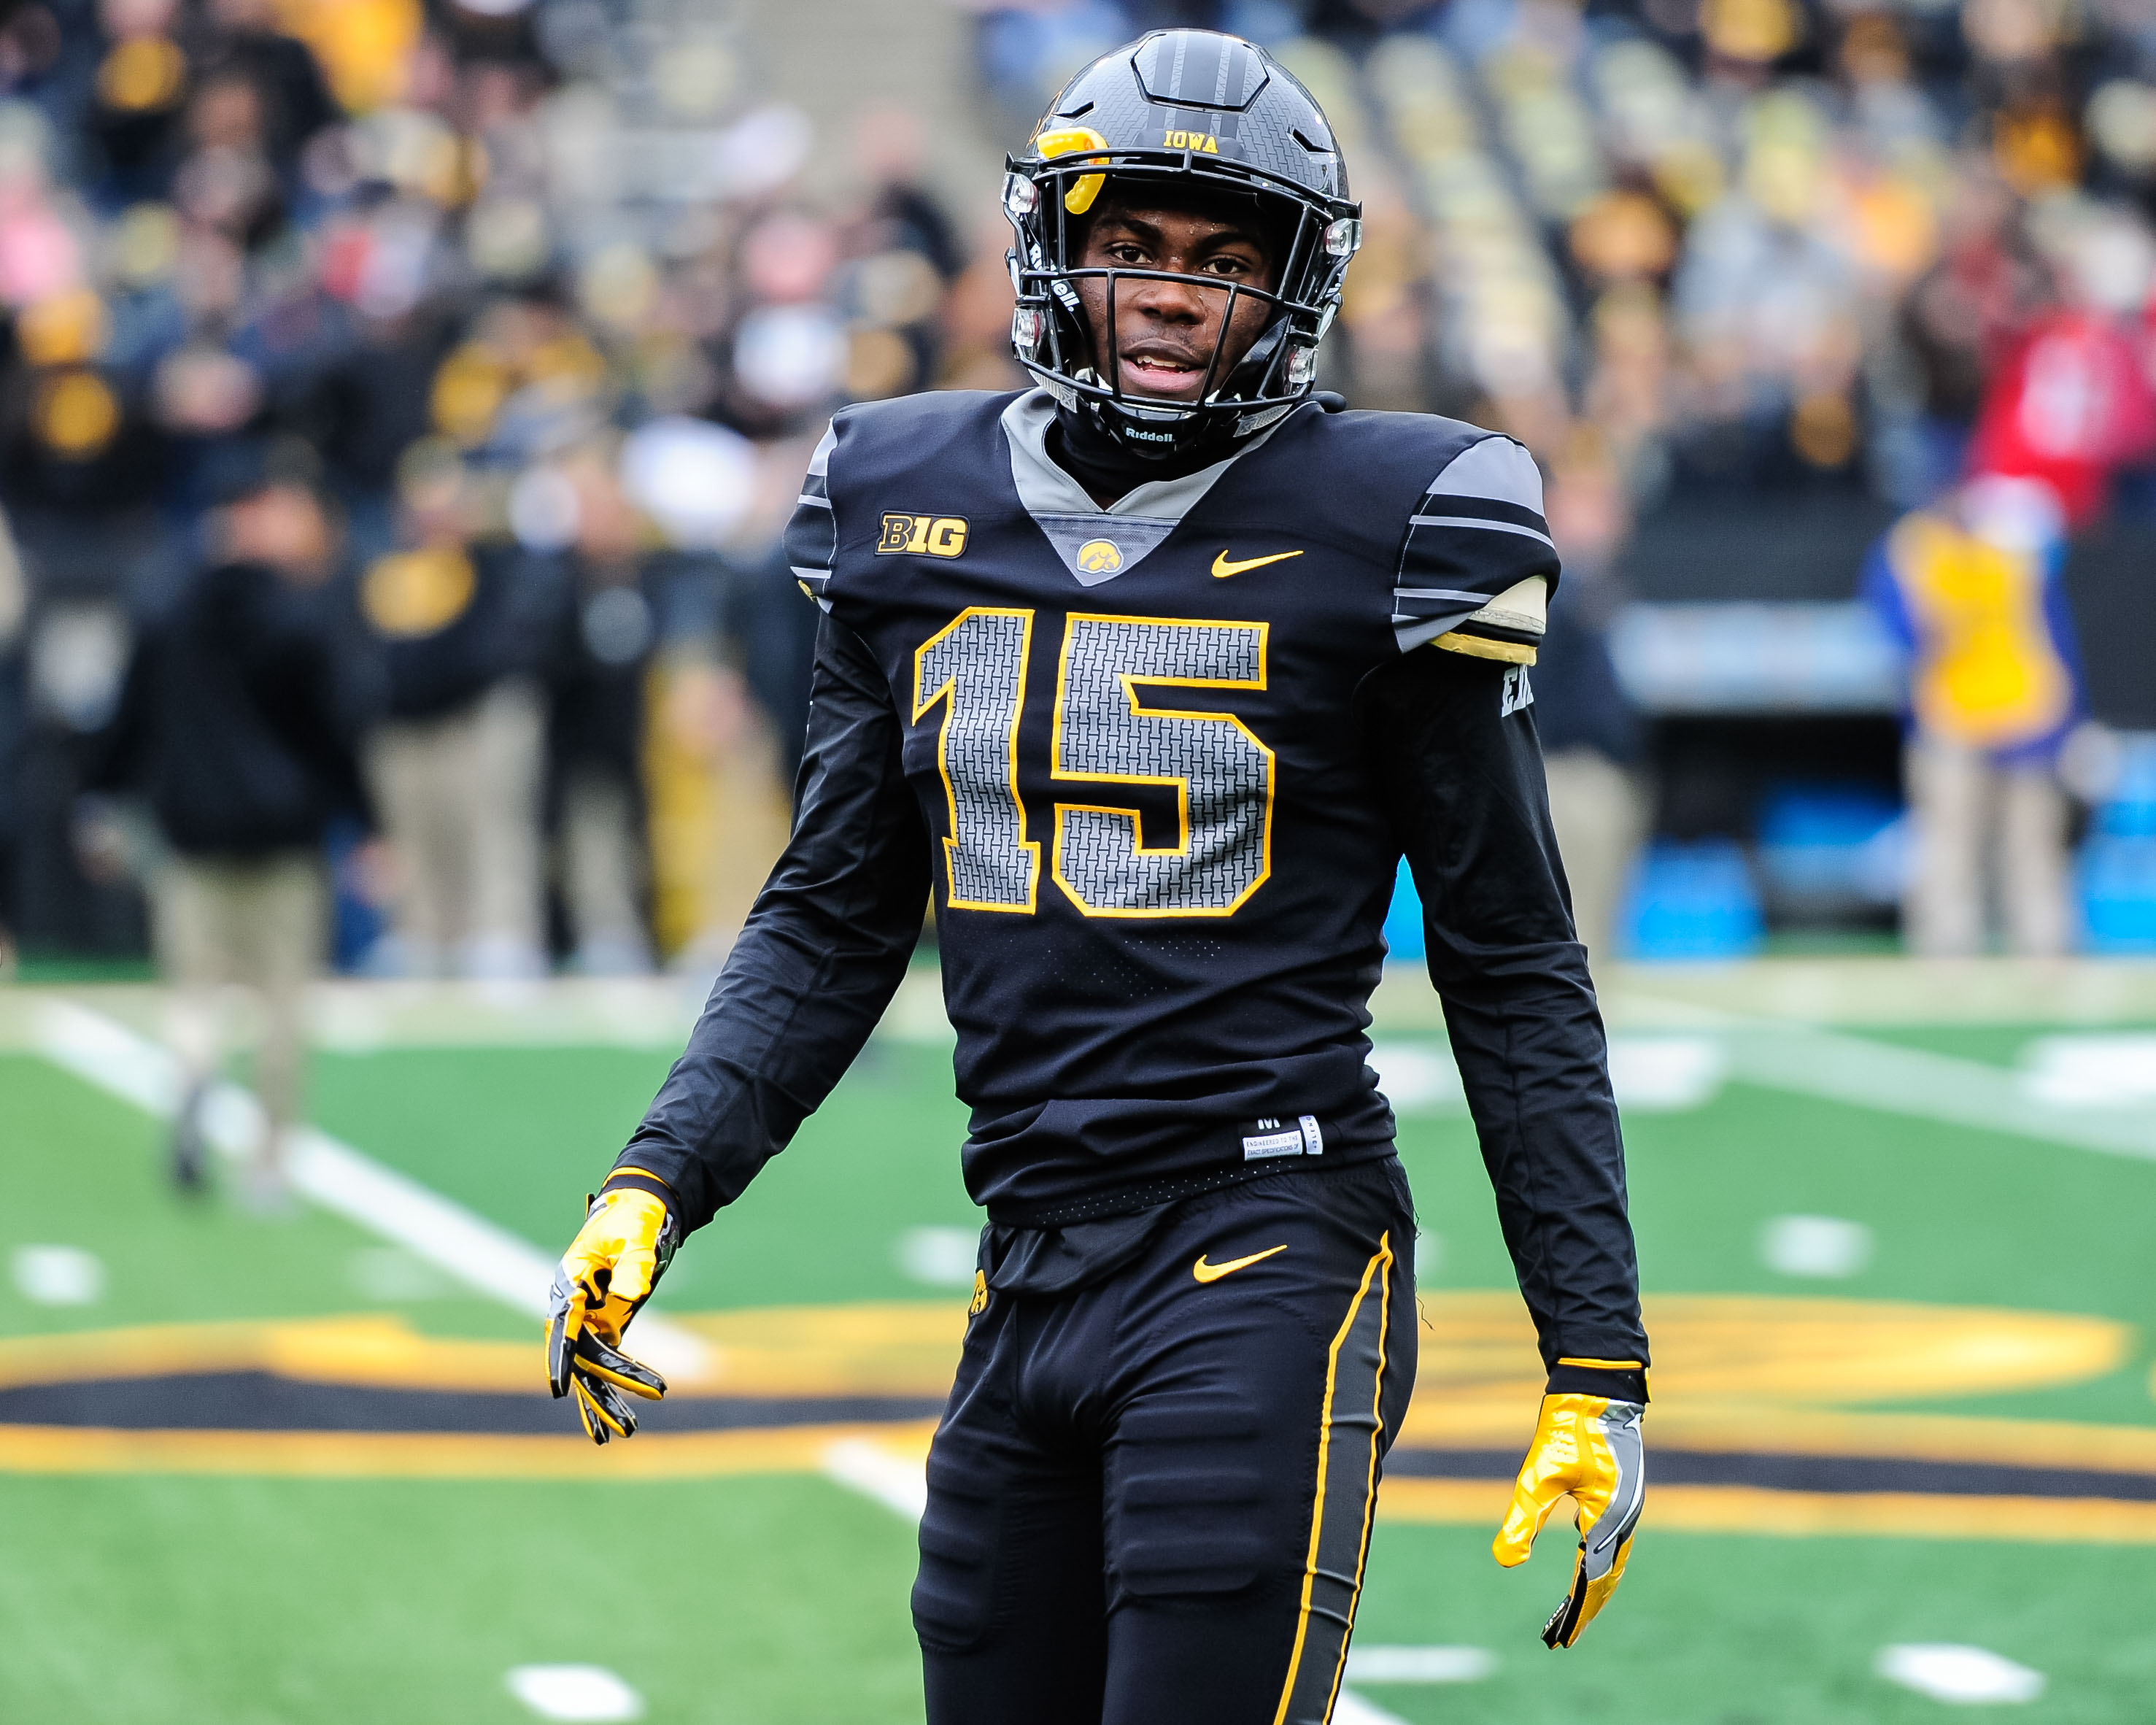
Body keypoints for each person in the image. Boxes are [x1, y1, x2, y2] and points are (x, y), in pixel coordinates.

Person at [542, 31, 1648, 1724]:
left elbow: (1508, 957)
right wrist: (658, 1173)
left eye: (1225, 258)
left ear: (1295, 284)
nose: (1172, 292)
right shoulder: (902, 499)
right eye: (1132, 241)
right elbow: (833, 913)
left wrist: (1596, 1353)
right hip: (1027, 1258)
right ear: (1054, 247)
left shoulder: (1399, 518)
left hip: (1267, 1240)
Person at [88, 447, 371, 1203]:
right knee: (281, 1007)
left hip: (193, 834)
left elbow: (129, 719)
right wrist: (365, 820)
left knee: (194, 993)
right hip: (284, 838)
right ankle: (266, 1166)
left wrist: (101, 797)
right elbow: (332, 732)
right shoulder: (295, 616)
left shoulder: (166, 608)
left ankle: (195, 1076)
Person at [1862, 472, 2084, 956]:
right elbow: (1897, 631)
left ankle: (2046, 952)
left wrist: (2068, 720)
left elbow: (2051, 628)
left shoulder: (2015, 535)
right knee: (1948, 842)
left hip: (2025, 710)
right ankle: (1947, 955)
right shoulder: (1913, 548)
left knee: (2031, 843)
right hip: (1951, 712)